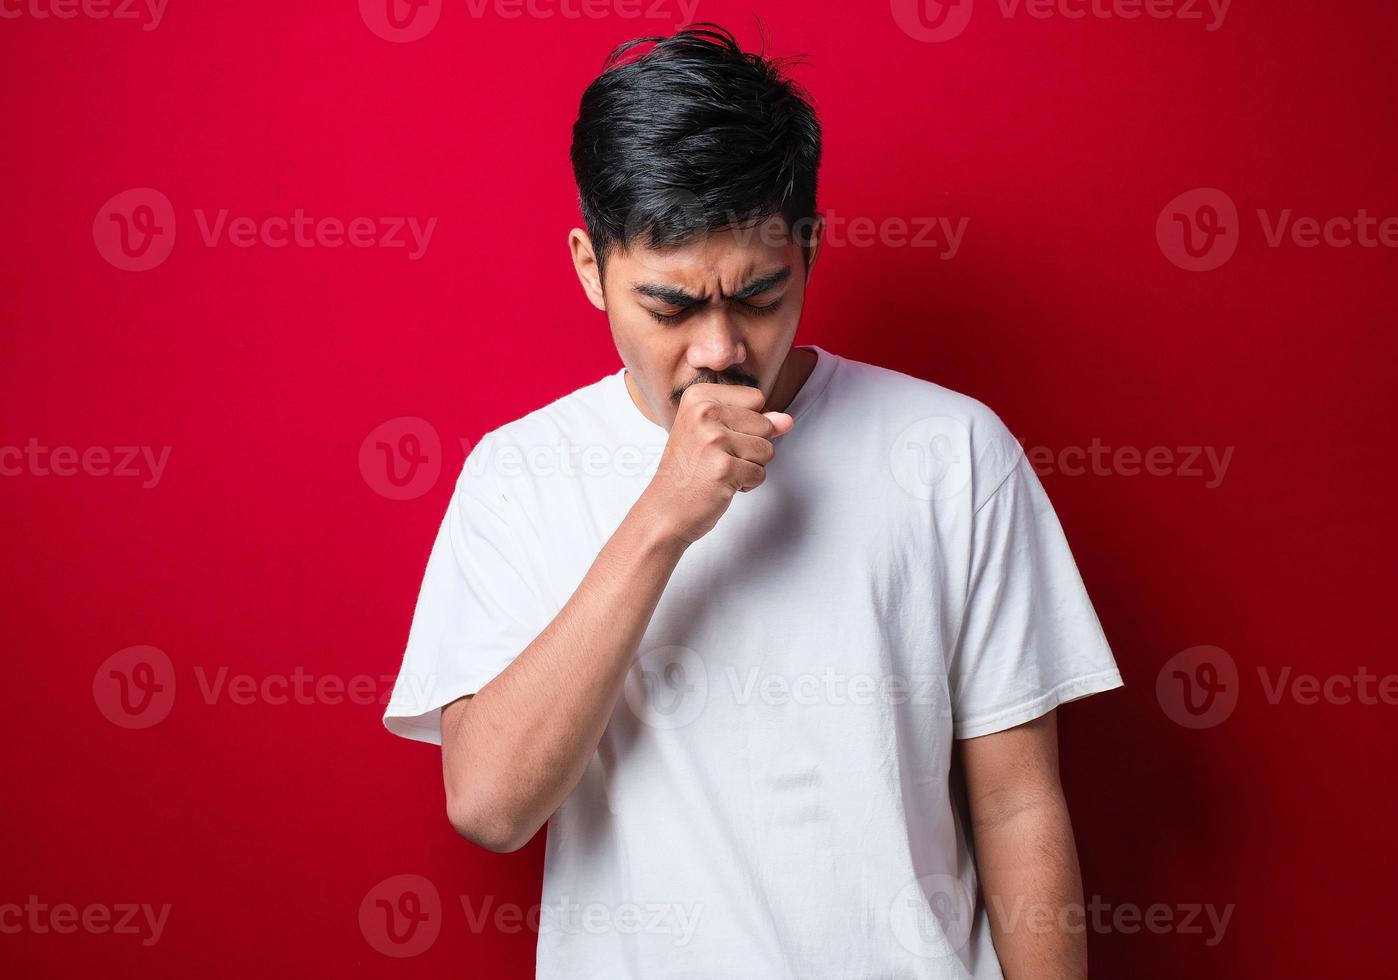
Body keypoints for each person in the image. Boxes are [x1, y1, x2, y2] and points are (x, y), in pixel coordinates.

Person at [384, 22, 1123, 979]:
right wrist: (662, 518)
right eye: (672, 306)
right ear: (587, 267)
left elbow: (1020, 804)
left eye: (760, 295)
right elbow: (489, 805)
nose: (722, 349)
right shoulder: (516, 474)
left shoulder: (952, 452)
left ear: (808, 249)